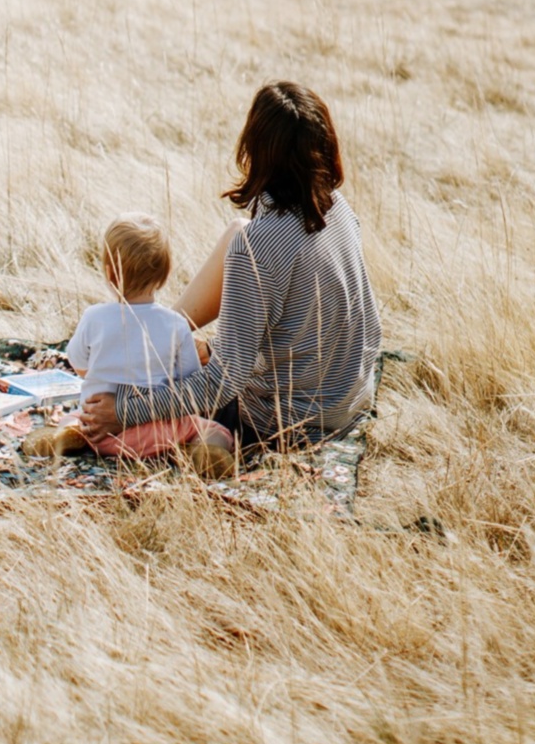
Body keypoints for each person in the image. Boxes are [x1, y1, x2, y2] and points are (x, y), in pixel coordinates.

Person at [79, 82, 380, 454]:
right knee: (238, 230)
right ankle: (157, 335)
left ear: (255, 149)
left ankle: (153, 355)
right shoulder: (338, 209)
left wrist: (125, 411)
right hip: (347, 399)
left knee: (129, 413)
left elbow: (223, 383)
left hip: (284, 425)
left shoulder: (257, 249)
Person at [24, 215, 234, 468]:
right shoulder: (176, 324)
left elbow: (79, 363)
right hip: (162, 434)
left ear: (110, 273)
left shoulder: (94, 317)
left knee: (76, 418)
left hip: (101, 432)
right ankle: (205, 451)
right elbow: (189, 379)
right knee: (215, 431)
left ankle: (67, 435)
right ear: (165, 276)